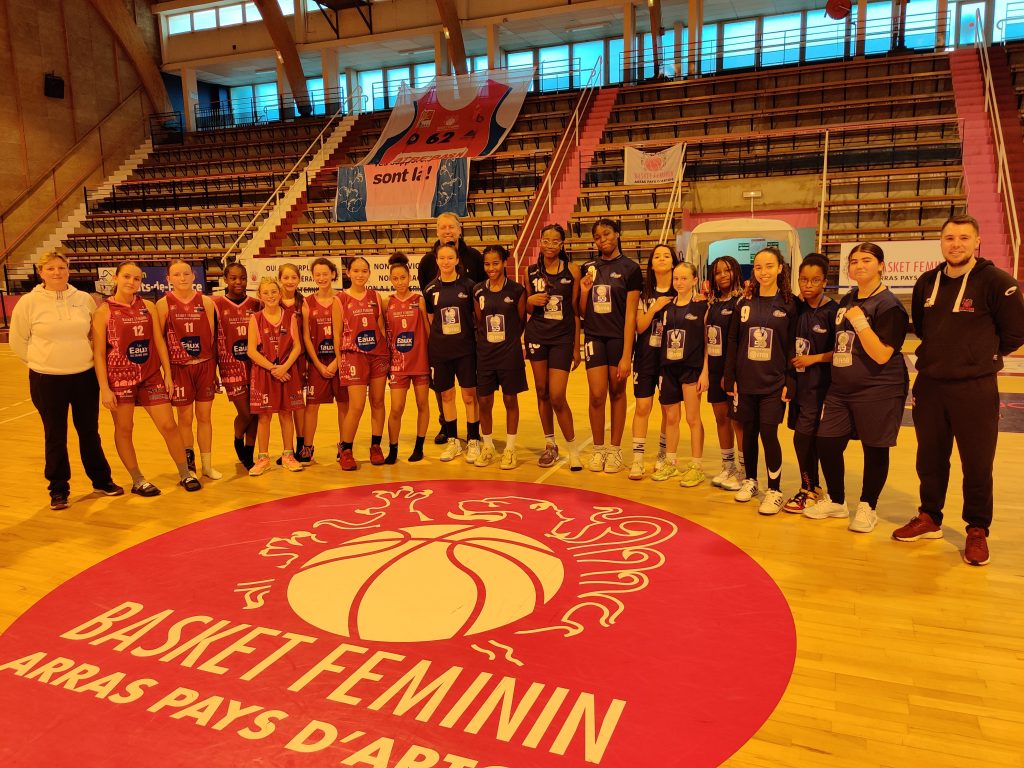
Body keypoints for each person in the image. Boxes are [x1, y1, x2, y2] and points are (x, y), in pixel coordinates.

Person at [895, 214, 1024, 565]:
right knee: (930, 458)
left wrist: (980, 357)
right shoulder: (926, 282)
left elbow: (1015, 333)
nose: (956, 244)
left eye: (964, 238)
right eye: (950, 238)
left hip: (975, 387)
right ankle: (930, 517)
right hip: (932, 385)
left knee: (978, 464)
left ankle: (977, 530)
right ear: (941, 242)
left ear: (977, 241)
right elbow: (922, 328)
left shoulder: (998, 282)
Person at [807, 242, 909, 533]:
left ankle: (868, 506)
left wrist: (862, 323)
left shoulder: (890, 306)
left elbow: (881, 354)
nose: (859, 265)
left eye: (867, 260)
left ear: (881, 266)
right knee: (826, 442)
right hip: (841, 390)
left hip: (879, 388)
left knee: (874, 448)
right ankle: (837, 502)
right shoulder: (848, 299)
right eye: (854, 261)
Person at [10, 252, 122, 509]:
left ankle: (101, 480)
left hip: (84, 377)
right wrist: (41, 362)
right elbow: (18, 341)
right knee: (55, 435)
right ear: (42, 272)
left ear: (68, 270)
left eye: (61, 268)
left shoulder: (83, 300)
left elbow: (95, 337)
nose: (57, 272)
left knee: (89, 432)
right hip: (47, 381)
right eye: (51, 268)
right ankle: (58, 489)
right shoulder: (28, 303)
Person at [92, 261, 200, 495]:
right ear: (116, 279)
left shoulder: (148, 307)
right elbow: (99, 353)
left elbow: (159, 343)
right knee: (124, 428)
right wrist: (104, 387)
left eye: (136, 278)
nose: (131, 282)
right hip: (120, 379)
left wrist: (168, 375)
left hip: (150, 376)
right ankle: (138, 479)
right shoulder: (103, 312)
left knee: (169, 425)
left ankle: (184, 473)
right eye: (127, 277)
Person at [724, 246, 797, 514]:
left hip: (774, 383)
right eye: (758, 267)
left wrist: (791, 379)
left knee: (768, 432)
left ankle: (775, 489)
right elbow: (733, 340)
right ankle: (751, 480)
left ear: (780, 268)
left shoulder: (790, 304)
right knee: (749, 433)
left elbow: (792, 346)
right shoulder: (743, 303)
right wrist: (730, 376)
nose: (763, 272)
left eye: (769, 266)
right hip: (745, 381)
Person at [579, 218, 643, 473]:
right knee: (596, 395)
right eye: (597, 236)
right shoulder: (589, 268)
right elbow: (582, 312)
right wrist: (584, 291)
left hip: (619, 339)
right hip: (594, 337)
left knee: (617, 392)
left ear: (617, 234)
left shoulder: (631, 268)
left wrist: (627, 354)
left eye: (607, 234)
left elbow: (630, 315)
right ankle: (598, 449)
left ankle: (614, 451)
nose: (602, 239)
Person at [419, 212, 485, 444]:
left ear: (459, 230)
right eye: (442, 227)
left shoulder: (475, 258)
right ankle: (448, 430)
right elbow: (429, 312)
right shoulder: (427, 263)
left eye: (451, 227)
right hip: (442, 345)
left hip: (467, 342)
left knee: (470, 392)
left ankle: (475, 435)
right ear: (437, 231)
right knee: (444, 392)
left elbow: (481, 301)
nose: (447, 231)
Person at [156, 259, 220, 480]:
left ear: (194, 276)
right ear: (168, 279)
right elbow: (160, 341)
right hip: (179, 368)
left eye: (186, 274)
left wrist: (215, 370)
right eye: (176, 275)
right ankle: (188, 465)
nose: (182, 278)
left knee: (205, 417)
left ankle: (207, 465)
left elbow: (212, 338)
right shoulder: (164, 304)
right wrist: (167, 374)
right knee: (184, 419)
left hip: (204, 366)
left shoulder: (207, 302)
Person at [782, 253, 837, 513]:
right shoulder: (795, 306)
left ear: (825, 281)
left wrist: (813, 359)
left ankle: (809, 489)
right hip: (798, 387)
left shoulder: (833, 311)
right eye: (804, 279)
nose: (808, 285)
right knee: (803, 438)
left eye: (815, 280)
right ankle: (813, 487)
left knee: (803, 440)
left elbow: (842, 351)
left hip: (820, 388)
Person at [525, 224, 582, 470]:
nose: (549, 245)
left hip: (562, 338)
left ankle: (573, 450)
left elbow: (576, 312)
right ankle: (550, 445)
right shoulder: (530, 271)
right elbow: (526, 309)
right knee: (541, 391)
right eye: (545, 240)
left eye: (555, 241)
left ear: (562, 244)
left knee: (557, 395)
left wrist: (576, 347)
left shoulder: (572, 271)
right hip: (537, 335)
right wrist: (530, 300)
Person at [653, 261, 709, 486]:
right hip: (668, 368)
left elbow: (707, 343)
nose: (679, 282)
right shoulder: (666, 306)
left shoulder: (702, 307)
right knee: (671, 418)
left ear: (695, 280)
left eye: (685, 278)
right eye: (676, 278)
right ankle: (671, 462)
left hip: (691, 368)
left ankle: (696, 465)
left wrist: (705, 372)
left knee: (692, 418)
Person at [473, 244, 528, 469]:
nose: (491, 268)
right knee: (484, 401)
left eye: (495, 263)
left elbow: (521, 320)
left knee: (509, 400)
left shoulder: (517, 290)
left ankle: (510, 449)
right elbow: (478, 321)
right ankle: (488, 447)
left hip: (509, 354)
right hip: (485, 354)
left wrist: (510, 342)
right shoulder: (477, 290)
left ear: (505, 263)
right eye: (487, 264)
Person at [246, 276, 305, 476]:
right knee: (264, 417)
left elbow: (297, 346)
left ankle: (288, 455)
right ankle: (263, 458)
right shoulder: (255, 318)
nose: (270, 295)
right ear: (259, 296)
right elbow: (251, 351)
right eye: (266, 292)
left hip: (288, 372)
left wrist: (284, 367)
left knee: (287, 414)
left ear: (280, 294)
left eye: (274, 292)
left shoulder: (291, 317)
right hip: (265, 372)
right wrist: (274, 368)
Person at [629, 243, 678, 480]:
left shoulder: (680, 291)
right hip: (646, 357)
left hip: (671, 360)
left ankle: (662, 454)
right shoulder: (644, 293)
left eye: (666, 255)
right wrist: (655, 308)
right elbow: (638, 326)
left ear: (673, 261)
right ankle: (637, 460)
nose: (661, 259)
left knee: (668, 410)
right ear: (650, 264)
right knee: (642, 407)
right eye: (657, 256)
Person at [337, 256, 389, 470]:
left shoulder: (375, 296)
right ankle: (346, 449)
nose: (360, 274)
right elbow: (337, 333)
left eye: (364, 271)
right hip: (353, 356)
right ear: (348, 272)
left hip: (377, 355)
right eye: (356, 270)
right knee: (356, 406)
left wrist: (386, 354)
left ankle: (375, 446)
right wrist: (340, 360)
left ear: (369, 273)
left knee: (377, 402)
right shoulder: (340, 299)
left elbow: (382, 328)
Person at [383, 253, 431, 463]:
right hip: (398, 364)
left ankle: (419, 446)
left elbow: (428, 331)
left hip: (420, 361)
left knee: (422, 404)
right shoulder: (387, 303)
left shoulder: (419, 300)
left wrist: (433, 359)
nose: (400, 282)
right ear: (390, 280)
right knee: (396, 408)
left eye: (403, 277)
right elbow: (384, 334)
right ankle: (393, 449)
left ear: (409, 277)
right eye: (396, 278)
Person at [213, 262, 260, 469]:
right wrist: (213, 371)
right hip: (230, 366)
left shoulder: (256, 304)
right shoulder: (216, 304)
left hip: (256, 366)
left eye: (242, 278)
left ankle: (249, 452)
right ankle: (237, 437)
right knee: (246, 413)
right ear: (225, 279)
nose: (238, 282)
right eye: (233, 278)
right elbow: (212, 340)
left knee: (256, 412)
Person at [301, 257, 347, 465]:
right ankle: (307, 447)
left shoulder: (343, 299)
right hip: (317, 362)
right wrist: (318, 364)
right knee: (311, 406)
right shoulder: (307, 303)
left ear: (333, 274)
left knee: (344, 405)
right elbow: (305, 337)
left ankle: (344, 445)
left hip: (341, 361)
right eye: (317, 274)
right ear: (312, 277)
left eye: (325, 274)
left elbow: (347, 333)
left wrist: (338, 361)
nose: (321, 278)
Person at [706, 256, 746, 492]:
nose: (722, 275)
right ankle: (728, 465)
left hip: (733, 371)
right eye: (718, 272)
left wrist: (731, 374)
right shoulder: (712, 303)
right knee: (721, 419)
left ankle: (743, 470)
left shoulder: (742, 301)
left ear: (736, 272)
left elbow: (739, 342)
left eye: (727, 271)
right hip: (714, 368)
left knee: (737, 421)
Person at [278, 263, 308, 461]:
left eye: (293, 277)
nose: (290, 281)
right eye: (286, 277)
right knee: (283, 406)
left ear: (299, 279)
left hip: (297, 359)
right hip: (278, 361)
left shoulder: (303, 303)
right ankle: (287, 449)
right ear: (280, 279)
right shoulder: (271, 300)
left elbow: (305, 335)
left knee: (298, 404)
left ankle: (300, 446)